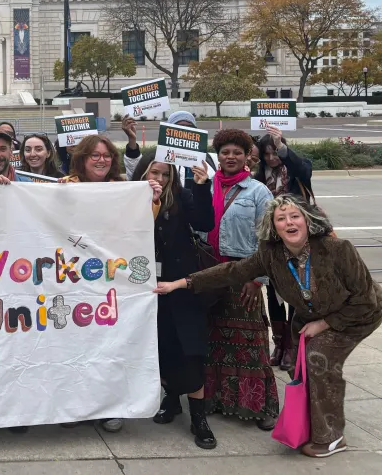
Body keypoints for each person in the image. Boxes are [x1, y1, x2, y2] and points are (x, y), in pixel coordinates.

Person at [156, 194, 382, 458]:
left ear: (308, 221)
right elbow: (231, 272)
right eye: (281, 218)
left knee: (319, 358)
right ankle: (308, 423)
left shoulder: (338, 249)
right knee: (300, 370)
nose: (289, 223)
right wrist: (181, 283)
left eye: (295, 216)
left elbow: (365, 300)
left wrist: (325, 323)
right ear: (273, 227)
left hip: (357, 314)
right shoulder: (271, 254)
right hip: (309, 317)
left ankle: (330, 437)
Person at [58, 134, 160, 434]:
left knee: (112, 346)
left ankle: (113, 406)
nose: (101, 160)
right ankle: (76, 404)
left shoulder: (124, 189)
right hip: (76, 280)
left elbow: (144, 224)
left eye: (106, 155)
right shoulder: (66, 186)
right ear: (83, 159)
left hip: (115, 281)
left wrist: (151, 199)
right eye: (94, 155)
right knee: (77, 345)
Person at [131, 155, 216, 450]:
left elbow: (205, 221)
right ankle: (172, 401)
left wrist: (203, 186)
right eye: (154, 172)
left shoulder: (184, 196)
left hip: (181, 285)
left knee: (190, 350)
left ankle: (199, 418)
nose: (160, 179)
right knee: (162, 348)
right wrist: (148, 202)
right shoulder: (130, 198)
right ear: (143, 173)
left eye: (166, 174)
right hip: (148, 288)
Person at [201, 129, 278, 430]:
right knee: (212, 340)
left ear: (248, 156)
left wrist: (257, 278)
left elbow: (269, 240)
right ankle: (215, 399)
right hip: (209, 273)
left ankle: (260, 404)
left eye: (237, 152)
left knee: (251, 343)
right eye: (224, 152)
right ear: (217, 156)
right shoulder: (205, 187)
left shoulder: (258, 192)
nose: (230, 157)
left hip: (243, 274)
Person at [255, 124, 314, 371]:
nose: (272, 157)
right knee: (273, 292)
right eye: (267, 153)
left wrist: (282, 147)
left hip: (294, 239)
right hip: (270, 241)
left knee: (294, 291)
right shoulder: (259, 176)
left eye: (274, 152)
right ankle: (278, 344)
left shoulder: (296, 168)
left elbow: (304, 170)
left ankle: (291, 345)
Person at [60, 135, 125, 184]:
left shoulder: (123, 186)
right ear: (82, 158)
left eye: (107, 156)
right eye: (95, 155)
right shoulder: (67, 183)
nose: (102, 160)